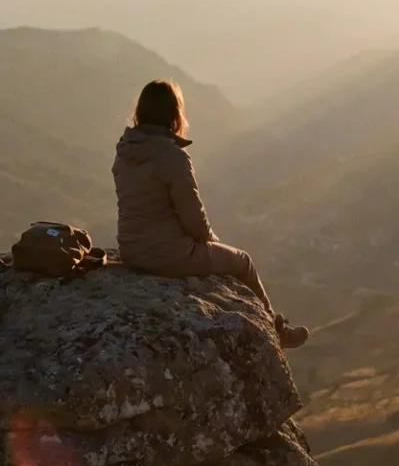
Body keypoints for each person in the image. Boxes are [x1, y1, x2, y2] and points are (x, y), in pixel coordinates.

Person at [112, 79, 310, 349]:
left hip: (131, 250)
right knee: (243, 261)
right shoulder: (173, 157)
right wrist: (210, 240)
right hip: (166, 256)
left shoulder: (124, 149)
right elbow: (193, 218)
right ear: (174, 115)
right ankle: (277, 331)